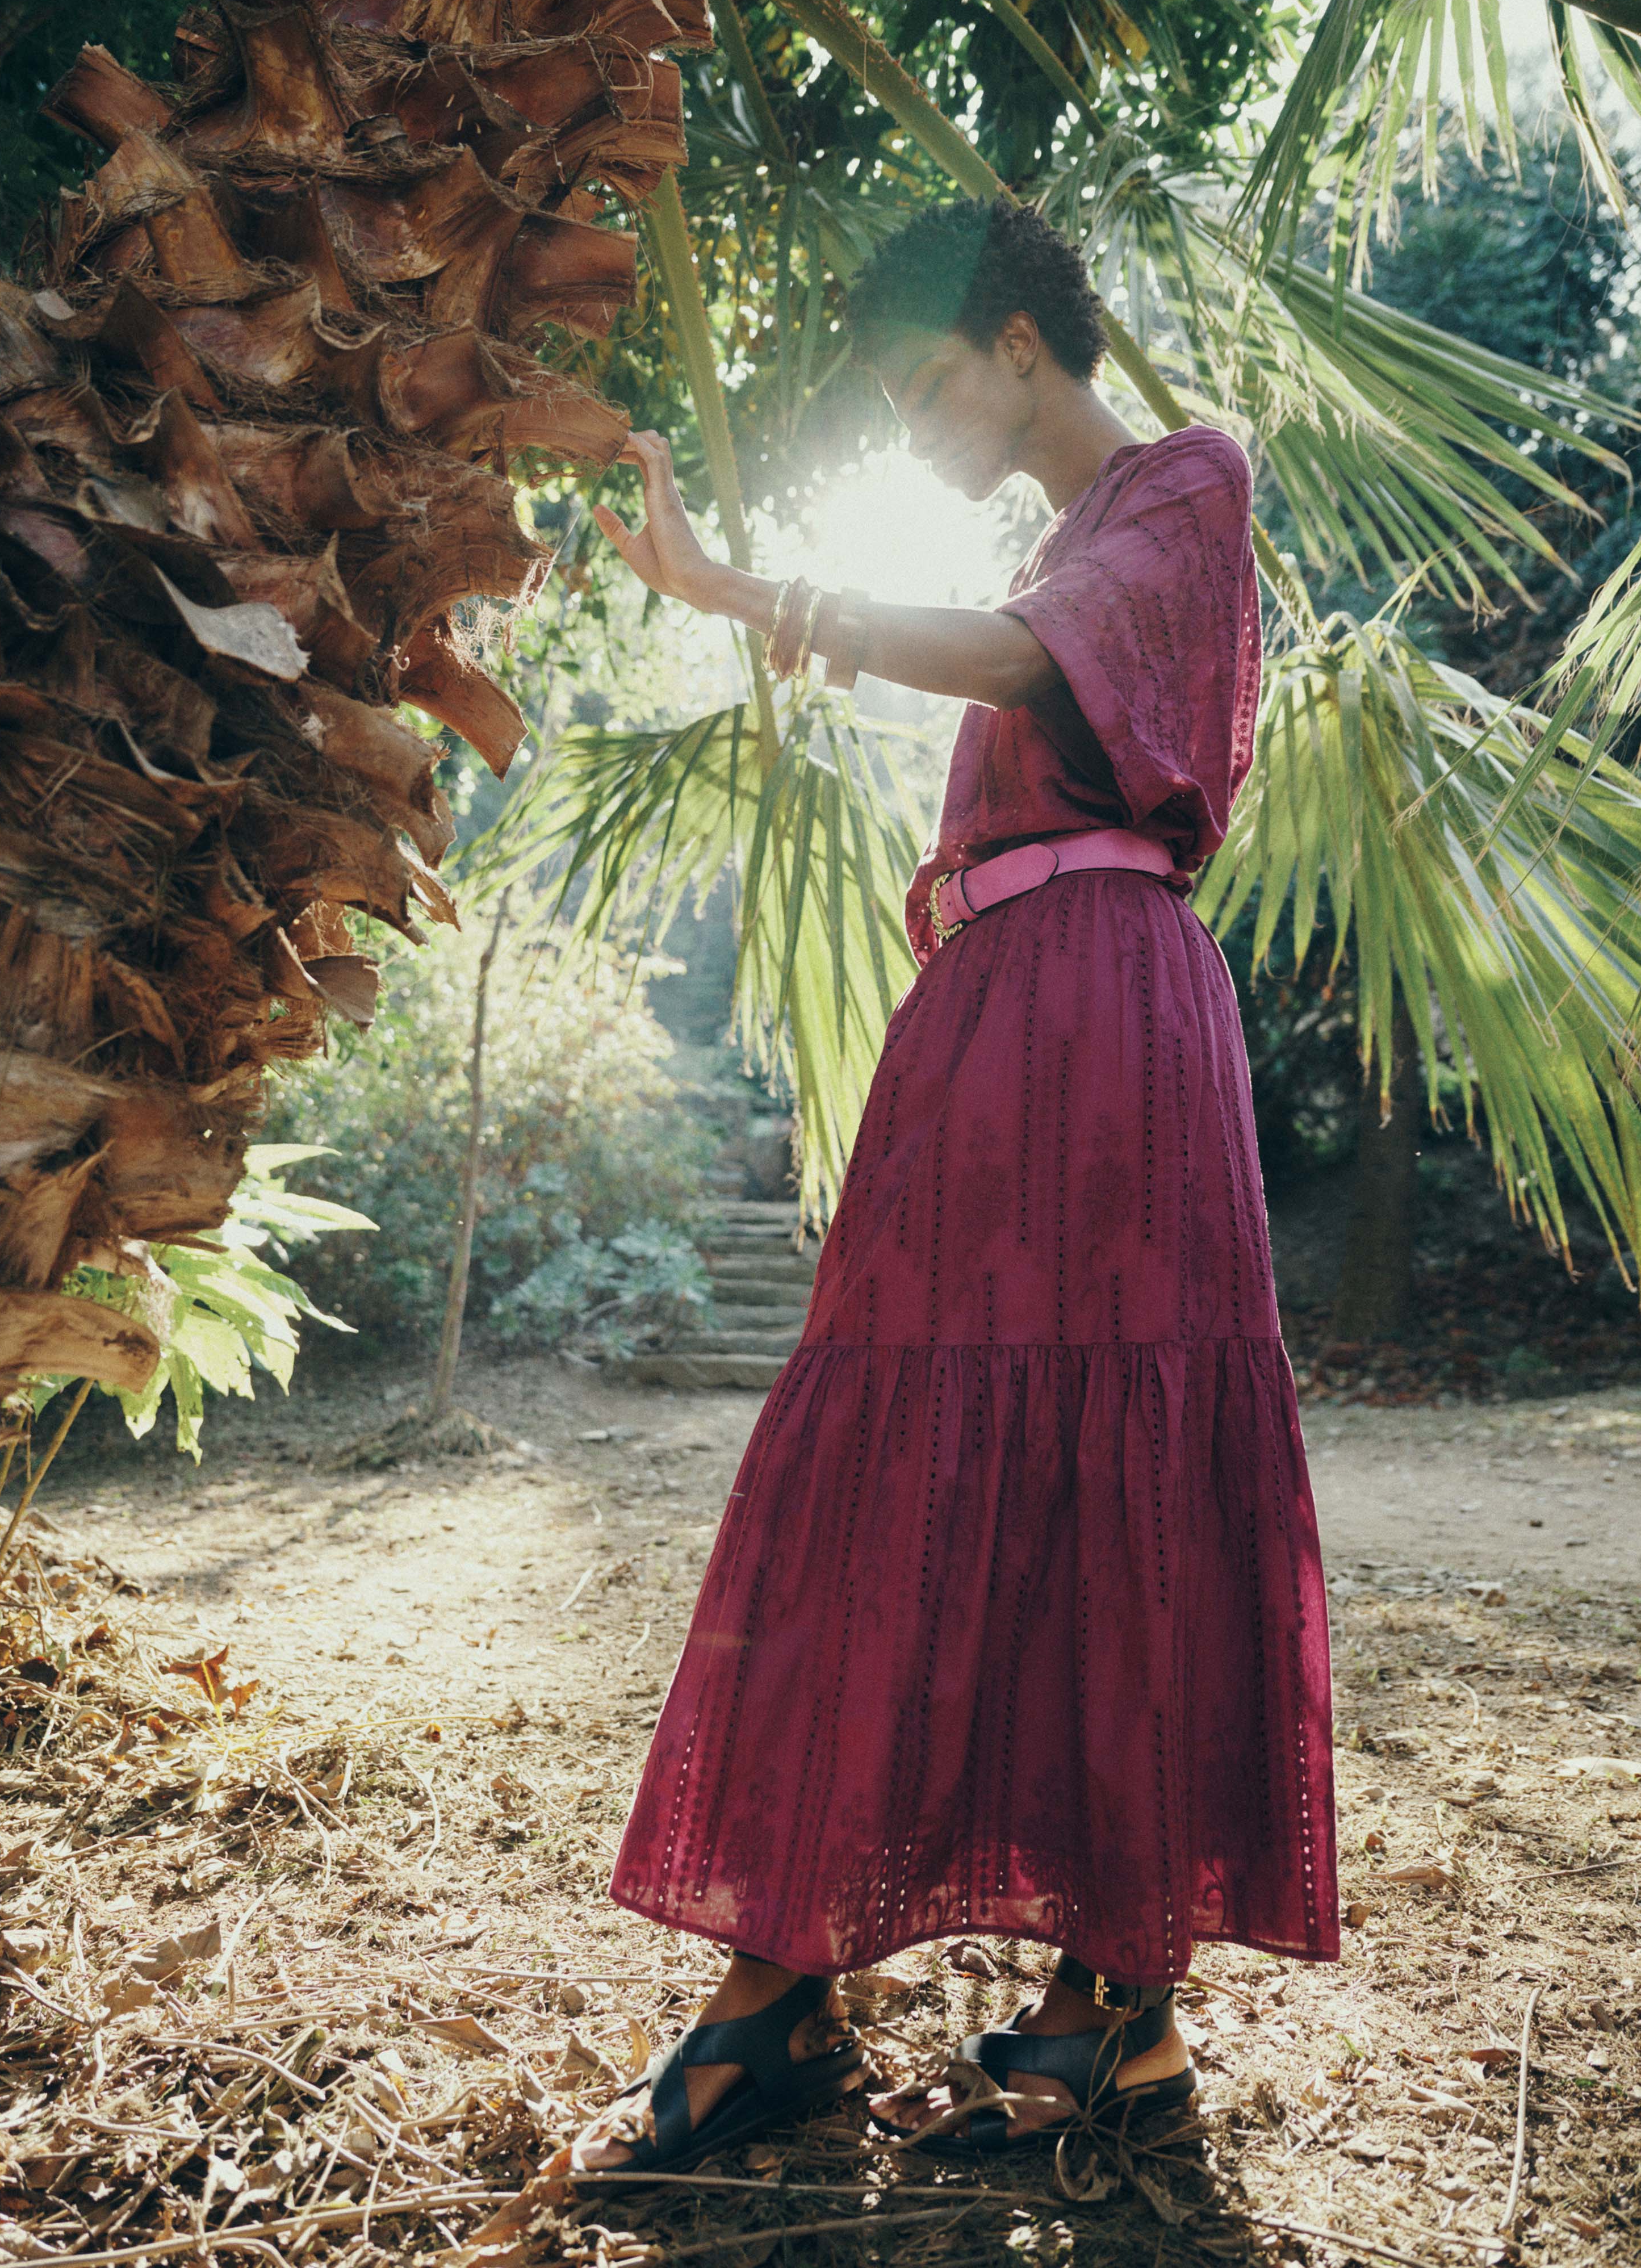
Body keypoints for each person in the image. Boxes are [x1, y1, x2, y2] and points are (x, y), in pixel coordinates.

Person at [565, 196, 1339, 2175]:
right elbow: (1013, 658)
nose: (914, 432)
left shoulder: (1184, 480)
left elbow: (1013, 663)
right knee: (881, 1455)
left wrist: (738, 591)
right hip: (995, 1011)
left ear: (1018, 341)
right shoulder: (1065, 547)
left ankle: (1114, 2005)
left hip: (1113, 1018)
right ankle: (781, 1990)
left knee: (1113, 1477)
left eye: (925, 388)